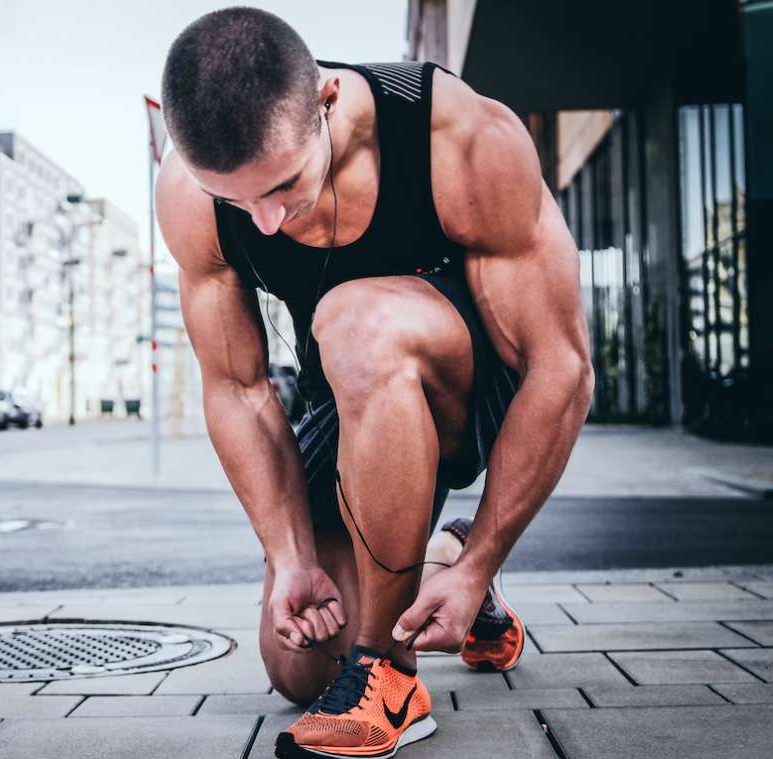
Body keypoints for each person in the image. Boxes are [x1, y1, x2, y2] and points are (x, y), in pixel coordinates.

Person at [155, 8, 593, 758]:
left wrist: (492, 548)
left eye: (284, 185)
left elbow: (562, 367)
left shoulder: (455, 136)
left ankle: (388, 676)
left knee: (354, 319)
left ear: (327, 102)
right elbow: (238, 387)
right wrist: (289, 554)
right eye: (237, 201)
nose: (263, 221)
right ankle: (439, 570)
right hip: (350, 394)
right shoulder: (191, 191)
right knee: (298, 663)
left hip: (470, 385)